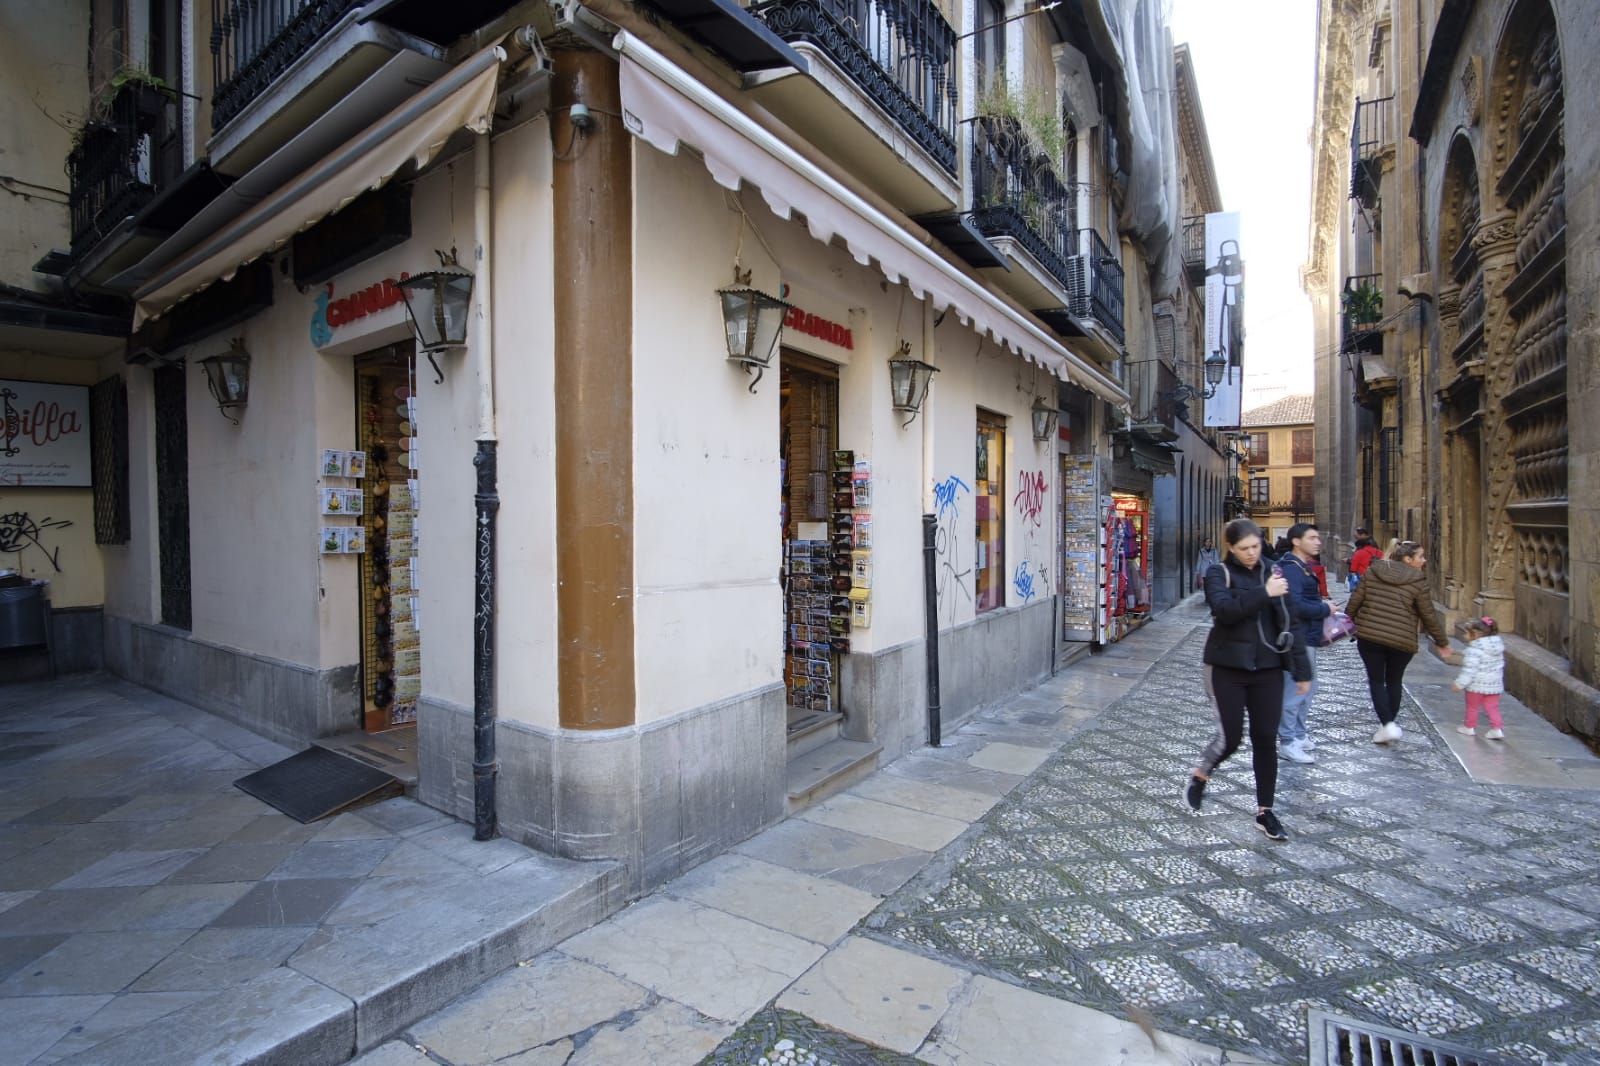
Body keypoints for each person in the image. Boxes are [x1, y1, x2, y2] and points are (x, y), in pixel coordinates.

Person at [1185, 518, 1312, 841]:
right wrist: (1263, 593)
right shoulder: (1219, 573)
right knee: (1230, 738)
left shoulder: (1274, 571)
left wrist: (1302, 671)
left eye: (1255, 546)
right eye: (1244, 548)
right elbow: (1224, 611)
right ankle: (1201, 775)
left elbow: (1291, 621)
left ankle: (1265, 811)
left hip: (1268, 668)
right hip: (1226, 667)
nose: (1251, 553)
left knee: (1265, 739)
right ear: (1230, 547)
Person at [1346, 539, 1452, 744]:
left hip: (1370, 635)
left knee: (1376, 681)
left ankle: (1387, 725)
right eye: (1420, 556)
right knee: (1394, 681)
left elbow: (1355, 601)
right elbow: (1428, 615)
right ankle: (1388, 725)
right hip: (1402, 640)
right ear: (1408, 559)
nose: (1424, 560)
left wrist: (1347, 623)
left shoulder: (1373, 571)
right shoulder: (1418, 581)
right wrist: (1441, 641)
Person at [1276, 523, 1331, 764]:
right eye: (1312, 538)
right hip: (1298, 638)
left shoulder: (1301, 567)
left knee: (1308, 688)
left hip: (1307, 635)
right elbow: (1294, 605)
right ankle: (1288, 741)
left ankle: (1298, 734)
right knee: (1296, 690)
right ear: (1296, 541)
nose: (1318, 542)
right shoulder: (1292, 569)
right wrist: (1324, 609)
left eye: (1318, 538)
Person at [1453, 616, 1507, 739]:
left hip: (1476, 685)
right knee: (1492, 707)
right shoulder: (1497, 648)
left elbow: (1469, 670)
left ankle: (1469, 727)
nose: (1464, 635)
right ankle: (1497, 729)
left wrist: (1460, 684)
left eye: (1466, 633)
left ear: (1477, 634)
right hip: (1494, 685)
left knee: (1472, 707)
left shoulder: (1474, 650)